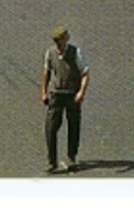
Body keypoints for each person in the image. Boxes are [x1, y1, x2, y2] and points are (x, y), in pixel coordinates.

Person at [40, 26, 90, 174]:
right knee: (51, 127)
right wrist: (44, 91)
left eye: (62, 38)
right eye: (58, 40)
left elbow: (85, 73)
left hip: (71, 94)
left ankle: (71, 157)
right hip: (56, 93)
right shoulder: (50, 53)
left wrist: (81, 92)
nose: (59, 42)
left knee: (73, 125)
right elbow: (46, 72)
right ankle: (52, 161)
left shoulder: (76, 53)